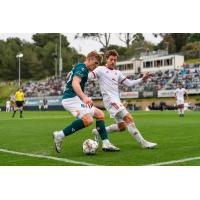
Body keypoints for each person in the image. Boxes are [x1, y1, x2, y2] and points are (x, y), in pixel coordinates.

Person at [53, 51, 120, 153]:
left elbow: (73, 76)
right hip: (71, 99)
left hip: (75, 99)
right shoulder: (82, 68)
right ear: (89, 59)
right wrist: (84, 97)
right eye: (96, 63)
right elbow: (75, 83)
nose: (96, 66)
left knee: (100, 114)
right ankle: (59, 135)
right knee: (88, 120)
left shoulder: (81, 67)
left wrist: (71, 73)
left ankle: (106, 144)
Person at [89, 49, 157, 148]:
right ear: (106, 60)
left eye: (115, 60)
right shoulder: (100, 69)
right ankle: (143, 143)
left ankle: (98, 132)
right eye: (111, 59)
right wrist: (80, 71)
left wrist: (142, 79)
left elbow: (129, 83)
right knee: (129, 118)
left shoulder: (117, 72)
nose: (113, 62)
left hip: (116, 101)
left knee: (122, 127)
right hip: (111, 101)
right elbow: (89, 76)